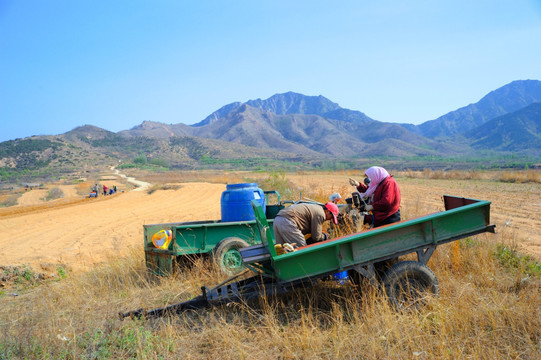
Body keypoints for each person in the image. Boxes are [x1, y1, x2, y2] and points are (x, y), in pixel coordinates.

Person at [273, 202, 339, 248]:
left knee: (282, 251)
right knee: (302, 249)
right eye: (331, 217)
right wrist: (324, 236)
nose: (330, 219)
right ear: (327, 211)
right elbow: (316, 237)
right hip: (288, 222)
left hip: (277, 219)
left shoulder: (316, 208)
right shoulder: (320, 214)